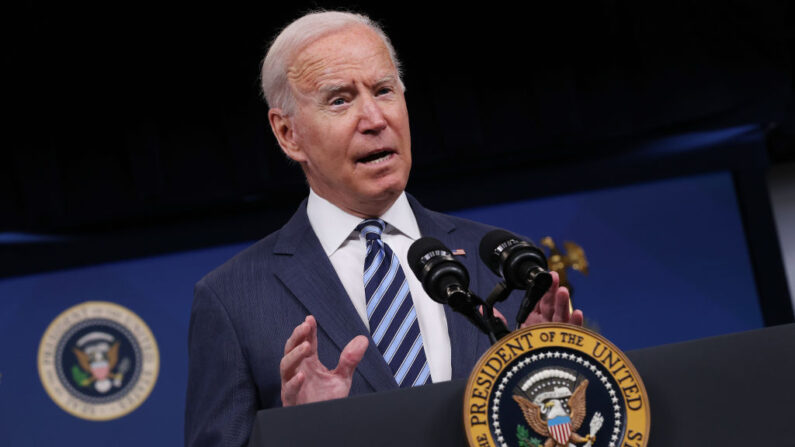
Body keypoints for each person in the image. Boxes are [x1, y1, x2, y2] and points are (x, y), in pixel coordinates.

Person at [185, 10, 583, 446]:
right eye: (340, 100)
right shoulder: (233, 298)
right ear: (287, 134)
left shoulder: (502, 262)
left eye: (383, 90)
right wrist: (296, 434)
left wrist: (542, 378)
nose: (374, 119)